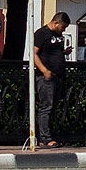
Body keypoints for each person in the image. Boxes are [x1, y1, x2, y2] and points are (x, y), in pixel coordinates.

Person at [33, 11, 72, 148]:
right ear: (55, 23)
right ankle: (45, 138)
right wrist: (44, 71)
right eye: (63, 27)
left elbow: (53, 52)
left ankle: (49, 135)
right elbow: (34, 53)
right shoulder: (41, 34)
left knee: (53, 108)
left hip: (58, 76)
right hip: (46, 77)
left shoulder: (58, 35)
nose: (63, 30)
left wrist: (64, 53)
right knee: (46, 107)